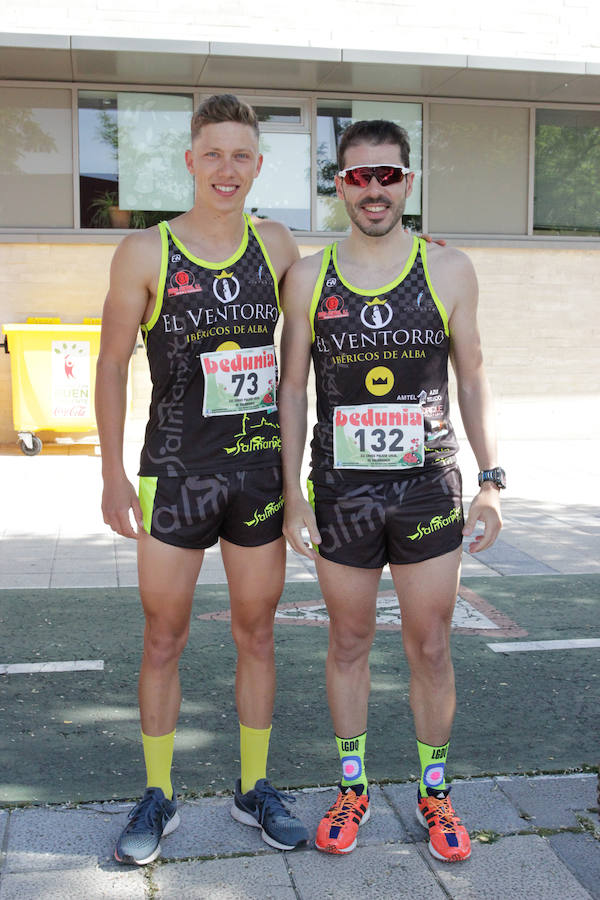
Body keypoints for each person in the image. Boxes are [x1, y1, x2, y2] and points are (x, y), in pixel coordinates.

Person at [279, 119, 504, 861]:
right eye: (356, 176)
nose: (372, 188)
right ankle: (353, 786)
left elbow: (472, 377)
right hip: (341, 492)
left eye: (386, 175)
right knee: (347, 640)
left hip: (427, 491)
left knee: (431, 646)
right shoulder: (310, 278)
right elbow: (291, 390)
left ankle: (435, 795)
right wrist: (294, 493)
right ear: (338, 185)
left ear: (407, 182)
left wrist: (491, 480)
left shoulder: (449, 269)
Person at [95, 94, 308, 866]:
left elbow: (337, 308)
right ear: (190, 161)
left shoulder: (279, 246)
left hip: (257, 477)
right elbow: (113, 364)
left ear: (258, 164)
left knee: (257, 634)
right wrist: (112, 472)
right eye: (212, 154)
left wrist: (427, 254)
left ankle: (254, 789)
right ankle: (158, 793)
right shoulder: (146, 252)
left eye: (241, 155)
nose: (227, 169)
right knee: (163, 638)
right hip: (176, 474)